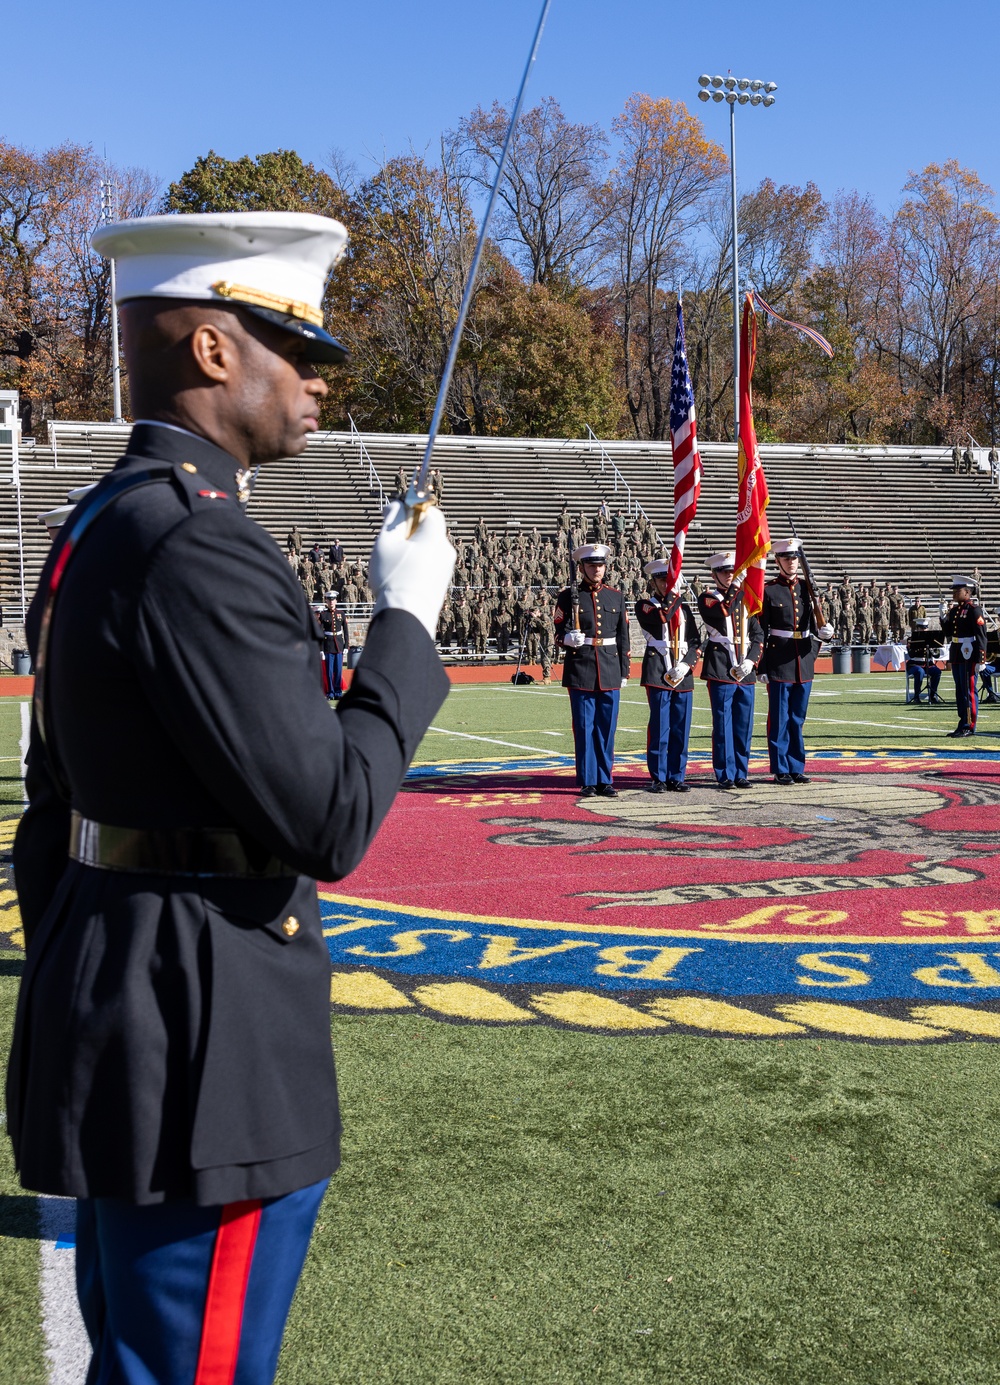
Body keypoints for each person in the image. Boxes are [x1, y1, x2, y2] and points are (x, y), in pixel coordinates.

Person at [6, 210, 455, 1384]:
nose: (317, 380)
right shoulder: (199, 542)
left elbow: (48, 806)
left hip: (126, 1005)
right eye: (290, 347)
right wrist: (407, 626)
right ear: (212, 350)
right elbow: (330, 817)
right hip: (205, 1045)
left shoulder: (104, 516)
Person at [553, 544, 630, 797]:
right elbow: (556, 633)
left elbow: (623, 636)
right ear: (582, 568)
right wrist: (566, 639)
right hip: (581, 666)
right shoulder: (567, 596)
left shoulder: (615, 596)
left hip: (609, 666)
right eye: (592, 565)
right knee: (585, 726)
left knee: (607, 727)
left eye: (600, 565)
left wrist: (624, 670)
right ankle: (588, 779)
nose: (597, 569)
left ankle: (605, 779)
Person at [759, 538, 834, 785]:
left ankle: (796, 766)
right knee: (780, 718)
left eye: (795, 558)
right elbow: (761, 630)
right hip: (779, 660)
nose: (792, 562)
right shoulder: (768, 590)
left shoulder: (806, 589)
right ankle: (780, 768)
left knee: (797, 719)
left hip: (803, 659)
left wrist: (825, 633)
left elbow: (815, 623)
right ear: (777, 561)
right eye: (787, 558)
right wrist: (762, 665)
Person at [635, 559, 703, 793]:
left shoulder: (684, 609)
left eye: (670, 579)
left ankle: (677, 775)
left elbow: (695, 640)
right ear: (653, 582)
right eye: (662, 579)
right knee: (660, 726)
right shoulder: (645, 605)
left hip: (682, 672)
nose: (667, 584)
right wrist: (676, 595)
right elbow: (661, 617)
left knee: (680, 728)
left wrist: (687, 665)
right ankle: (659, 776)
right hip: (658, 670)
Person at [698, 552, 763, 790]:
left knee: (743, 724)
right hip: (721, 665)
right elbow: (723, 611)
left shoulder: (745, 598)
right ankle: (725, 773)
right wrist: (737, 585)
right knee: (723, 723)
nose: (729, 576)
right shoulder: (707, 598)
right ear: (714, 575)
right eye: (725, 572)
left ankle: (741, 772)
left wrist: (752, 660)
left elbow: (757, 634)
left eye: (732, 572)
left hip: (745, 668)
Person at [940, 575, 988, 736]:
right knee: (960, 690)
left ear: (967, 592)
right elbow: (948, 633)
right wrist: (942, 617)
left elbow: (981, 635)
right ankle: (962, 723)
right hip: (957, 652)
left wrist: (981, 658)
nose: (954, 593)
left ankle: (969, 725)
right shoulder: (954, 610)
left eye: (957, 590)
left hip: (969, 652)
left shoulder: (975, 610)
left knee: (968, 690)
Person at [318, 590, 349, 699]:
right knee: (329, 671)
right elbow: (320, 633)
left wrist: (346, 646)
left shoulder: (341, 614)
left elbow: (345, 631)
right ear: (326, 601)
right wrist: (321, 649)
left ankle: (337, 692)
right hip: (328, 646)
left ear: (336, 601)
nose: (331, 602)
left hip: (339, 645)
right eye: (329, 600)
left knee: (338, 670)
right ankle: (330, 692)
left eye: (333, 600)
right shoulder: (323, 615)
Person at [905, 620, 944, 704]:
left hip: (927, 664)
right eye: (921, 628)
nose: (923, 630)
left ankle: (932, 695)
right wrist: (921, 646)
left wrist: (932, 649)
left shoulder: (932, 639)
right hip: (914, 664)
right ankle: (916, 696)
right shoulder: (911, 639)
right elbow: (911, 654)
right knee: (920, 671)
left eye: (925, 628)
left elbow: (937, 655)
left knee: (937, 671)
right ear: (917, 628)